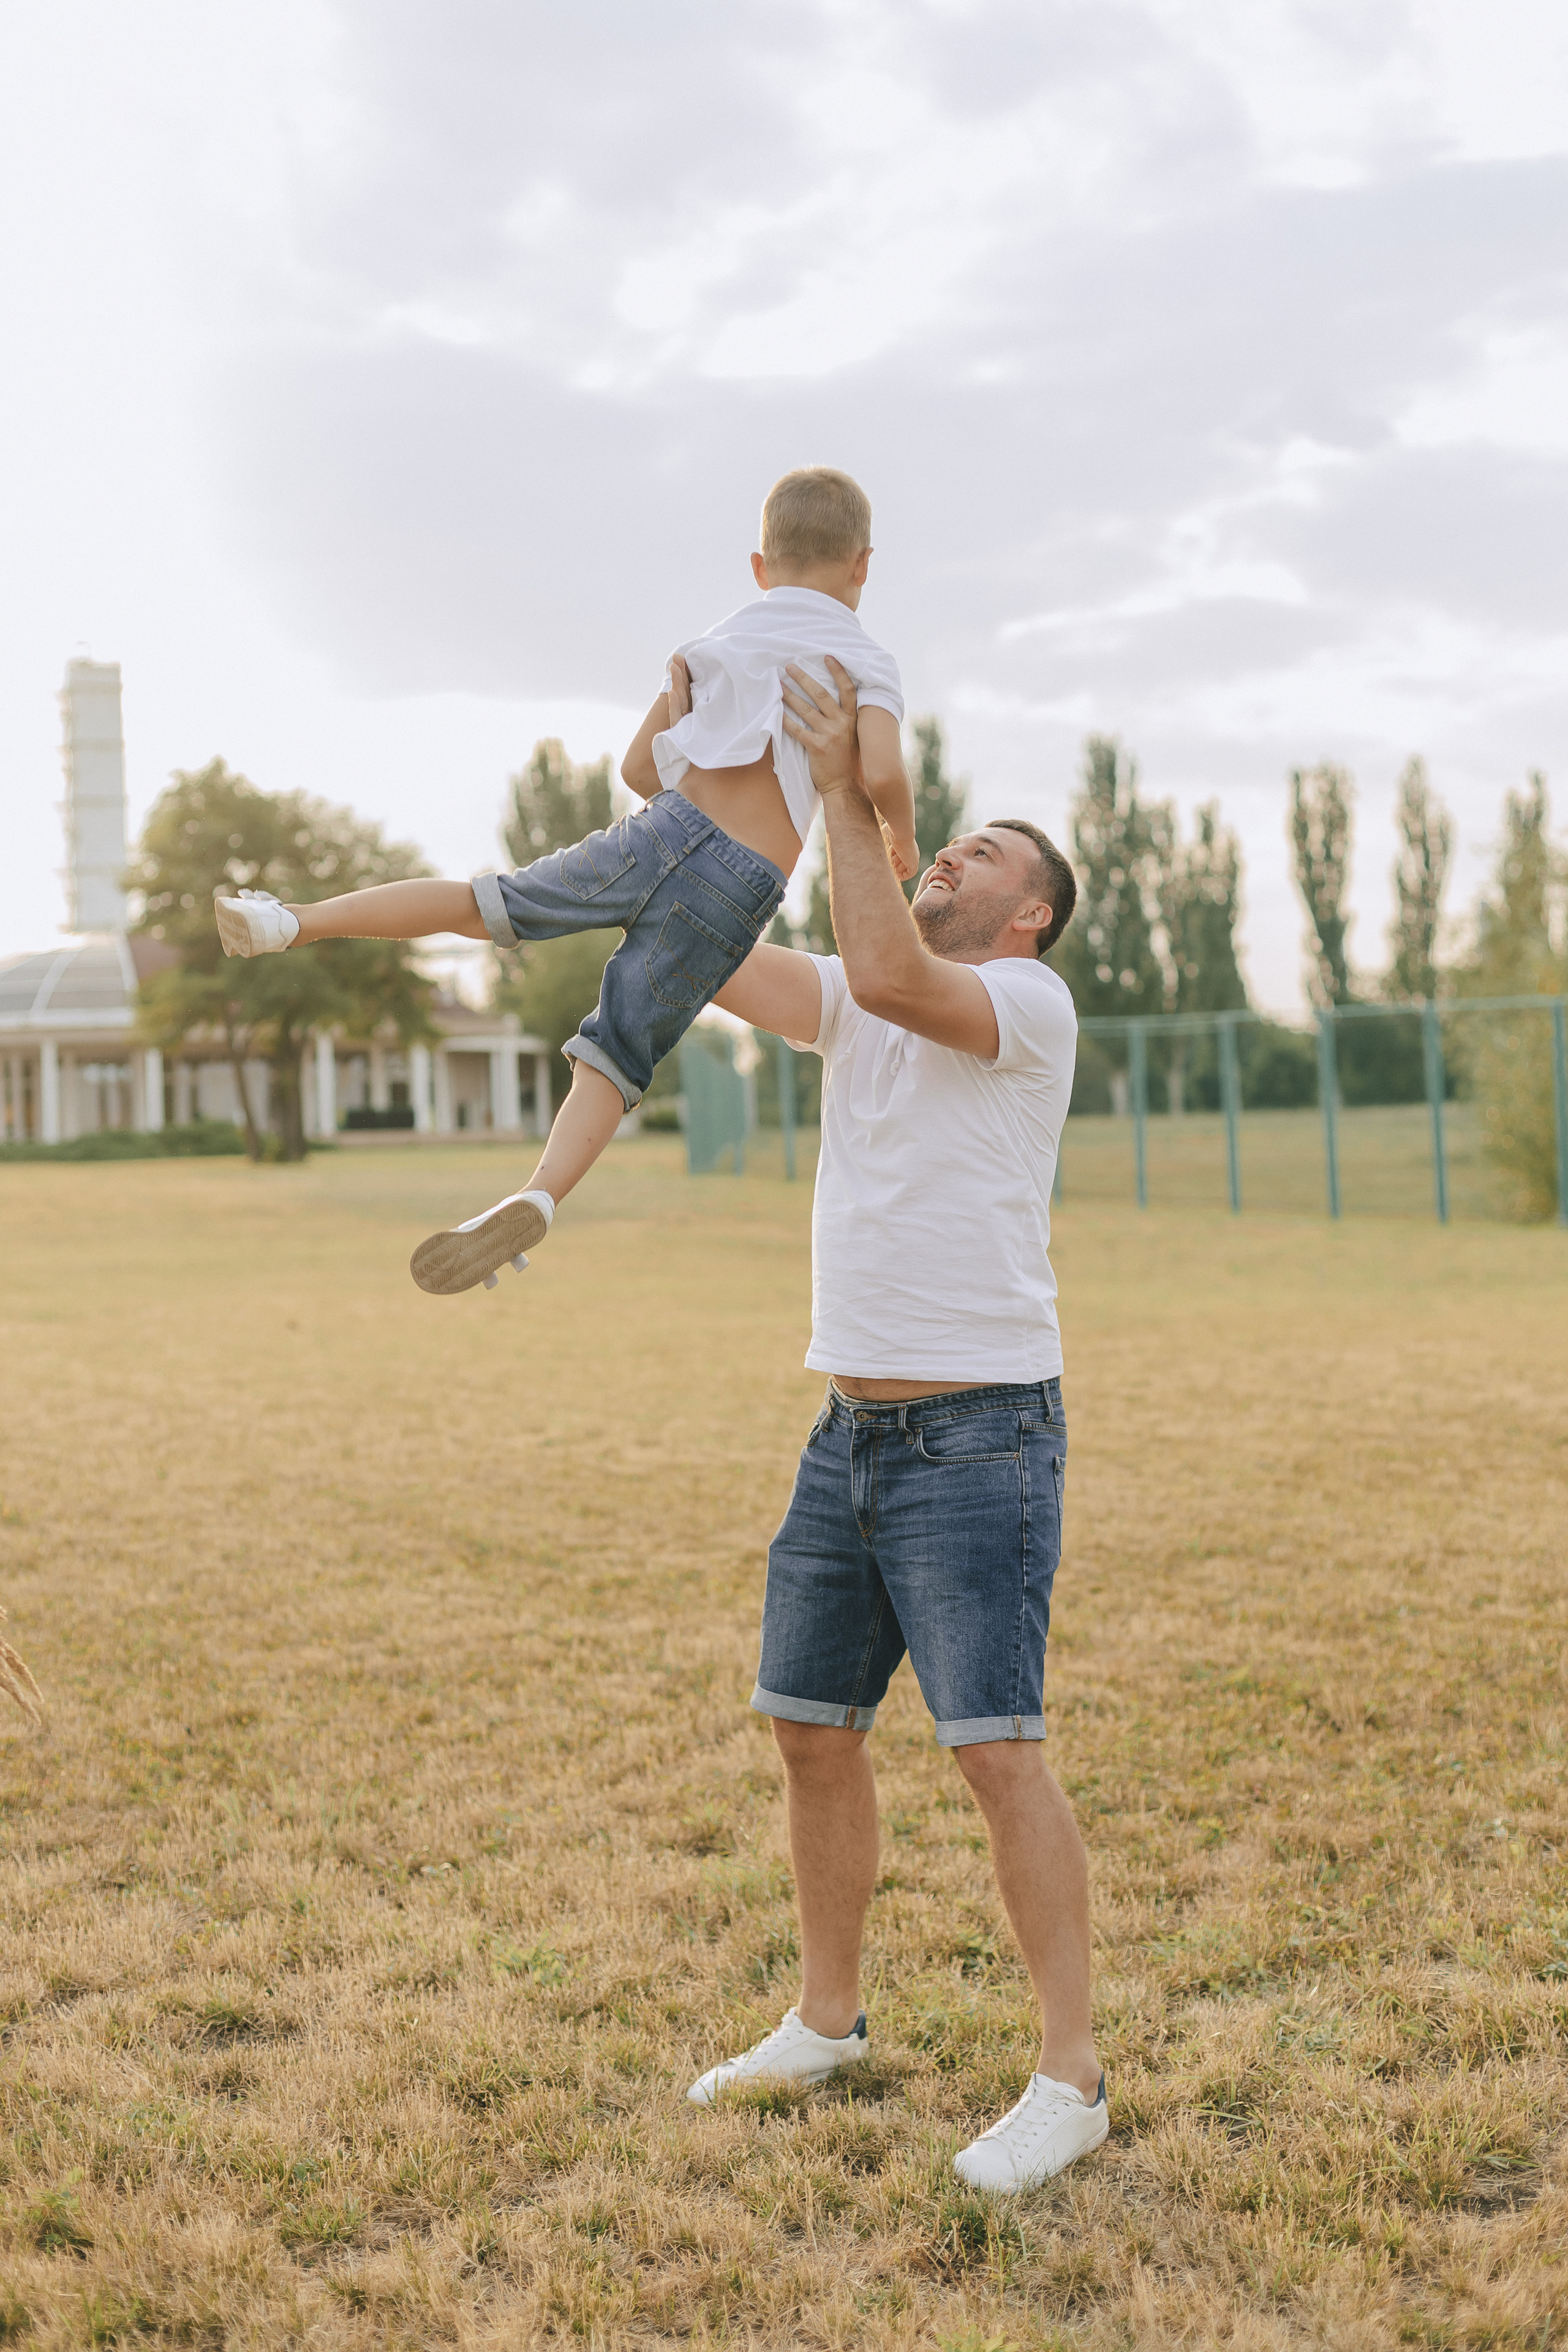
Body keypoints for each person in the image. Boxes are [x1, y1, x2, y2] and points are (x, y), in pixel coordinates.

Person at [680, 657, 1107, 2196]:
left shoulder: (1014, 1001)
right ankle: (826, 2022)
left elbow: (882, 966)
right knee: (807, 1733)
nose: (949, 853)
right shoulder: (862, 996)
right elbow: (718, 951)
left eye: (980, 853)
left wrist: (860, 797)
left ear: (1027, 916)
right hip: (847, 1430)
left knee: (995, 1754)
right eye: (949, 838)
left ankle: (1069, 2081)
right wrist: (685, 771)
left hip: (977, 1437)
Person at [211, 467, 917, 1297]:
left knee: (487, 905)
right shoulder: (865, 658)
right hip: (742, 881)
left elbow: (633, 769)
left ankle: (292, 923)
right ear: (863, 566)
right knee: (614, 1057)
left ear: (759, 567)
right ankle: (536, 1195)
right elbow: (882, 768)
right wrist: (897, 829)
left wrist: (683, 742)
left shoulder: (712, 645)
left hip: (664, 829)